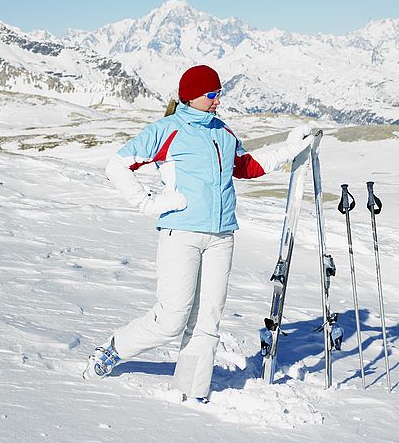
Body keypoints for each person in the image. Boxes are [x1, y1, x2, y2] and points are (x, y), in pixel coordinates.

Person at [82, 65, 312, 402]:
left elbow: (249, 167)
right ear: (192, 95)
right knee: (171, 319)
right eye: (212, 94)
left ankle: (191, 393)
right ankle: (114, 349)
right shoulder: (168, 130)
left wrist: (289, 148)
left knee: (207, 323)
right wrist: (148, 202)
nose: (218, 100)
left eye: (219, 93)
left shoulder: (223, 132)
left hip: (221, 238)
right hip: (181, 234)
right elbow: (116, 165)